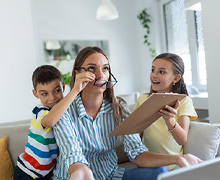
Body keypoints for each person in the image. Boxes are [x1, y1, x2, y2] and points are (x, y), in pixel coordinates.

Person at [52, 47, 202, 180]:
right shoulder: (63, 110)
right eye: (92, 68)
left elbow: (137, 153)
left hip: (112, 175)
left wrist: (178, 159)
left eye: (105, 69)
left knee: (160, 173)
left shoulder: (119, 107)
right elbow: (73, 155)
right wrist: (81, 171)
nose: (100, 74)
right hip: (76, 176)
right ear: (77, 74)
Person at [14, 65, 95, 180]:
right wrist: (75, 90)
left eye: (56, 91)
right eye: (44, 94)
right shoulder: (39, 111)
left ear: (62, 87)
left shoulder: (64, 111)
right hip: (28, 171)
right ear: (35, 94)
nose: (52, 98)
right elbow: (50, 121)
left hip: (47, 173)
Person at [134, 53, 198, 170]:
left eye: (161, 72)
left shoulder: (184, 101)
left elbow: (182, 140)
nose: (154, 75)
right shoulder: (142, 99)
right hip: (149, 164)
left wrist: (169, 120)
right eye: (153, 70)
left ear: (176, 78)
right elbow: (136, 137)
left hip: (173, 165)